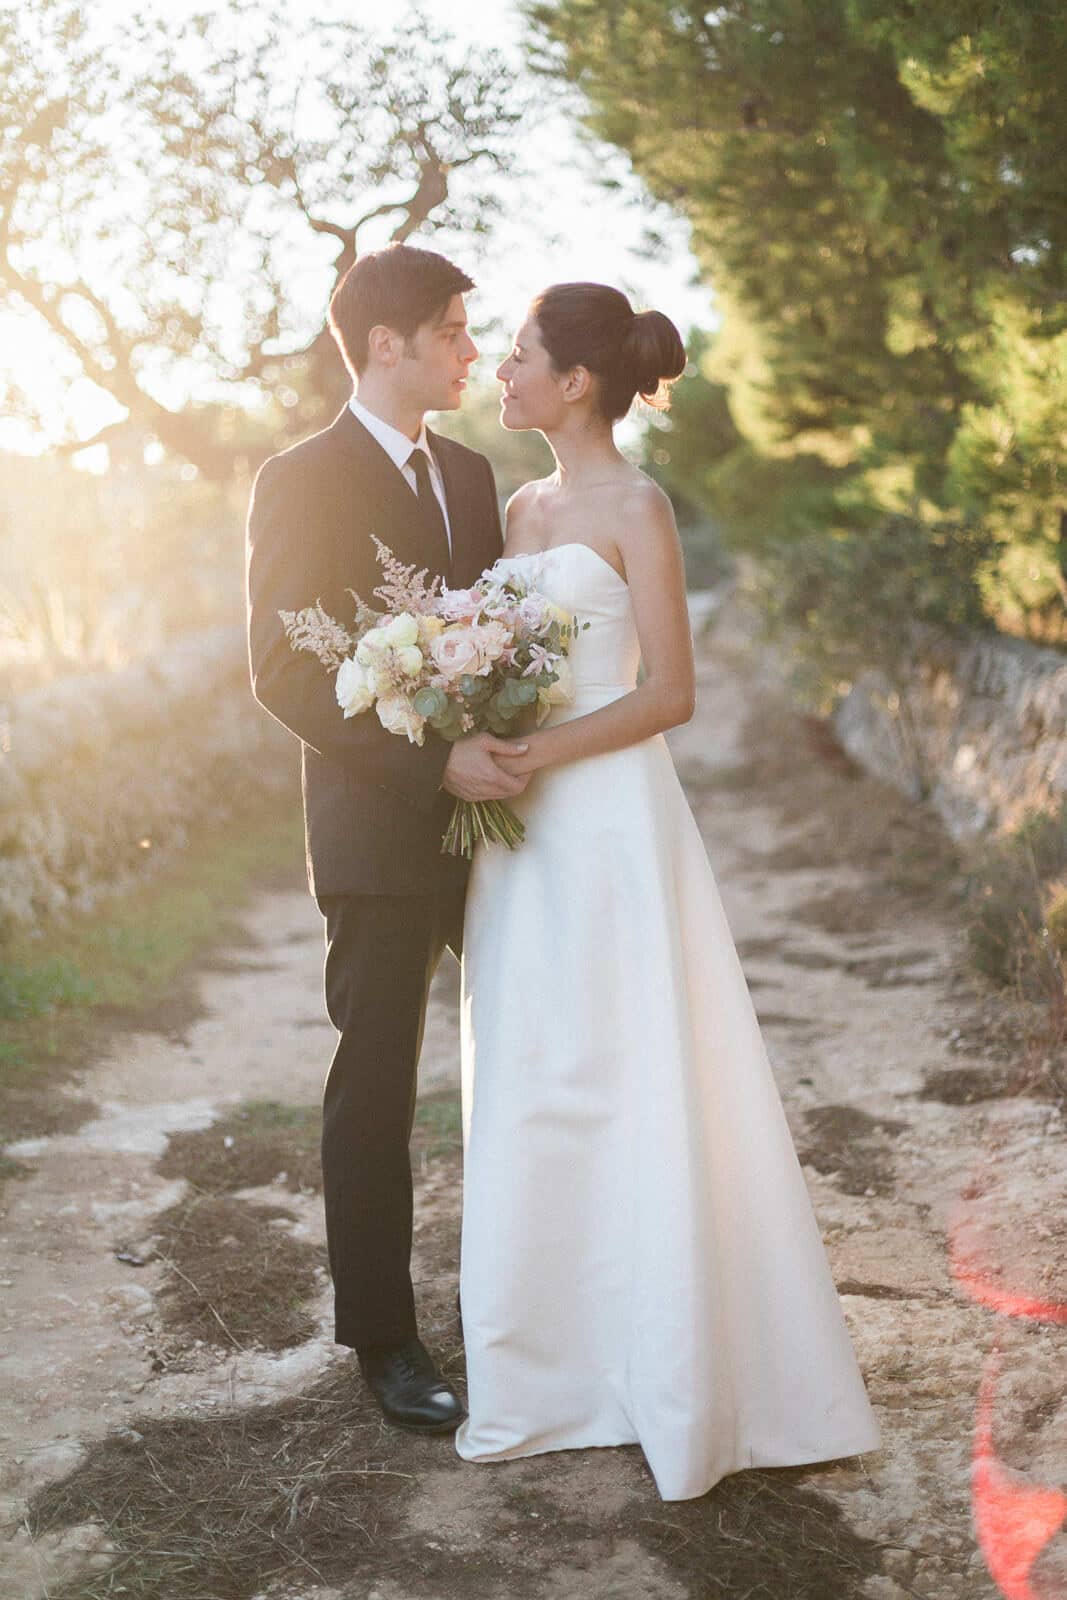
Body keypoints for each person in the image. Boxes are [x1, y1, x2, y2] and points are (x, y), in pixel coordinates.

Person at [454, 282, 882, 1499]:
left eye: (521, 357)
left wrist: (541, 749)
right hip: (516, 832)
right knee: (534, 1073)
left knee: (633, 1070)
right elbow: (503, 658)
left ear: (574, 381)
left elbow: (667, 693)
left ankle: (668, 1366)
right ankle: (547, 1370)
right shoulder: (518, 503)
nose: (502, 373)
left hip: (608, 819)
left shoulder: (637, 506)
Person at [245, 243, 526, 1432]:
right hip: (375, 834)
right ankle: (385, 1340)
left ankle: (534, 1302)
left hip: (498, 832)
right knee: (376, 1091)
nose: (471, 349)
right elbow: (281, 671)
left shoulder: (470, 476)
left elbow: (501, 633)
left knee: (534, 1057)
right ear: (384, 346)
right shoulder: (296, 477)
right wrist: (428, 763)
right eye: (454, 330)